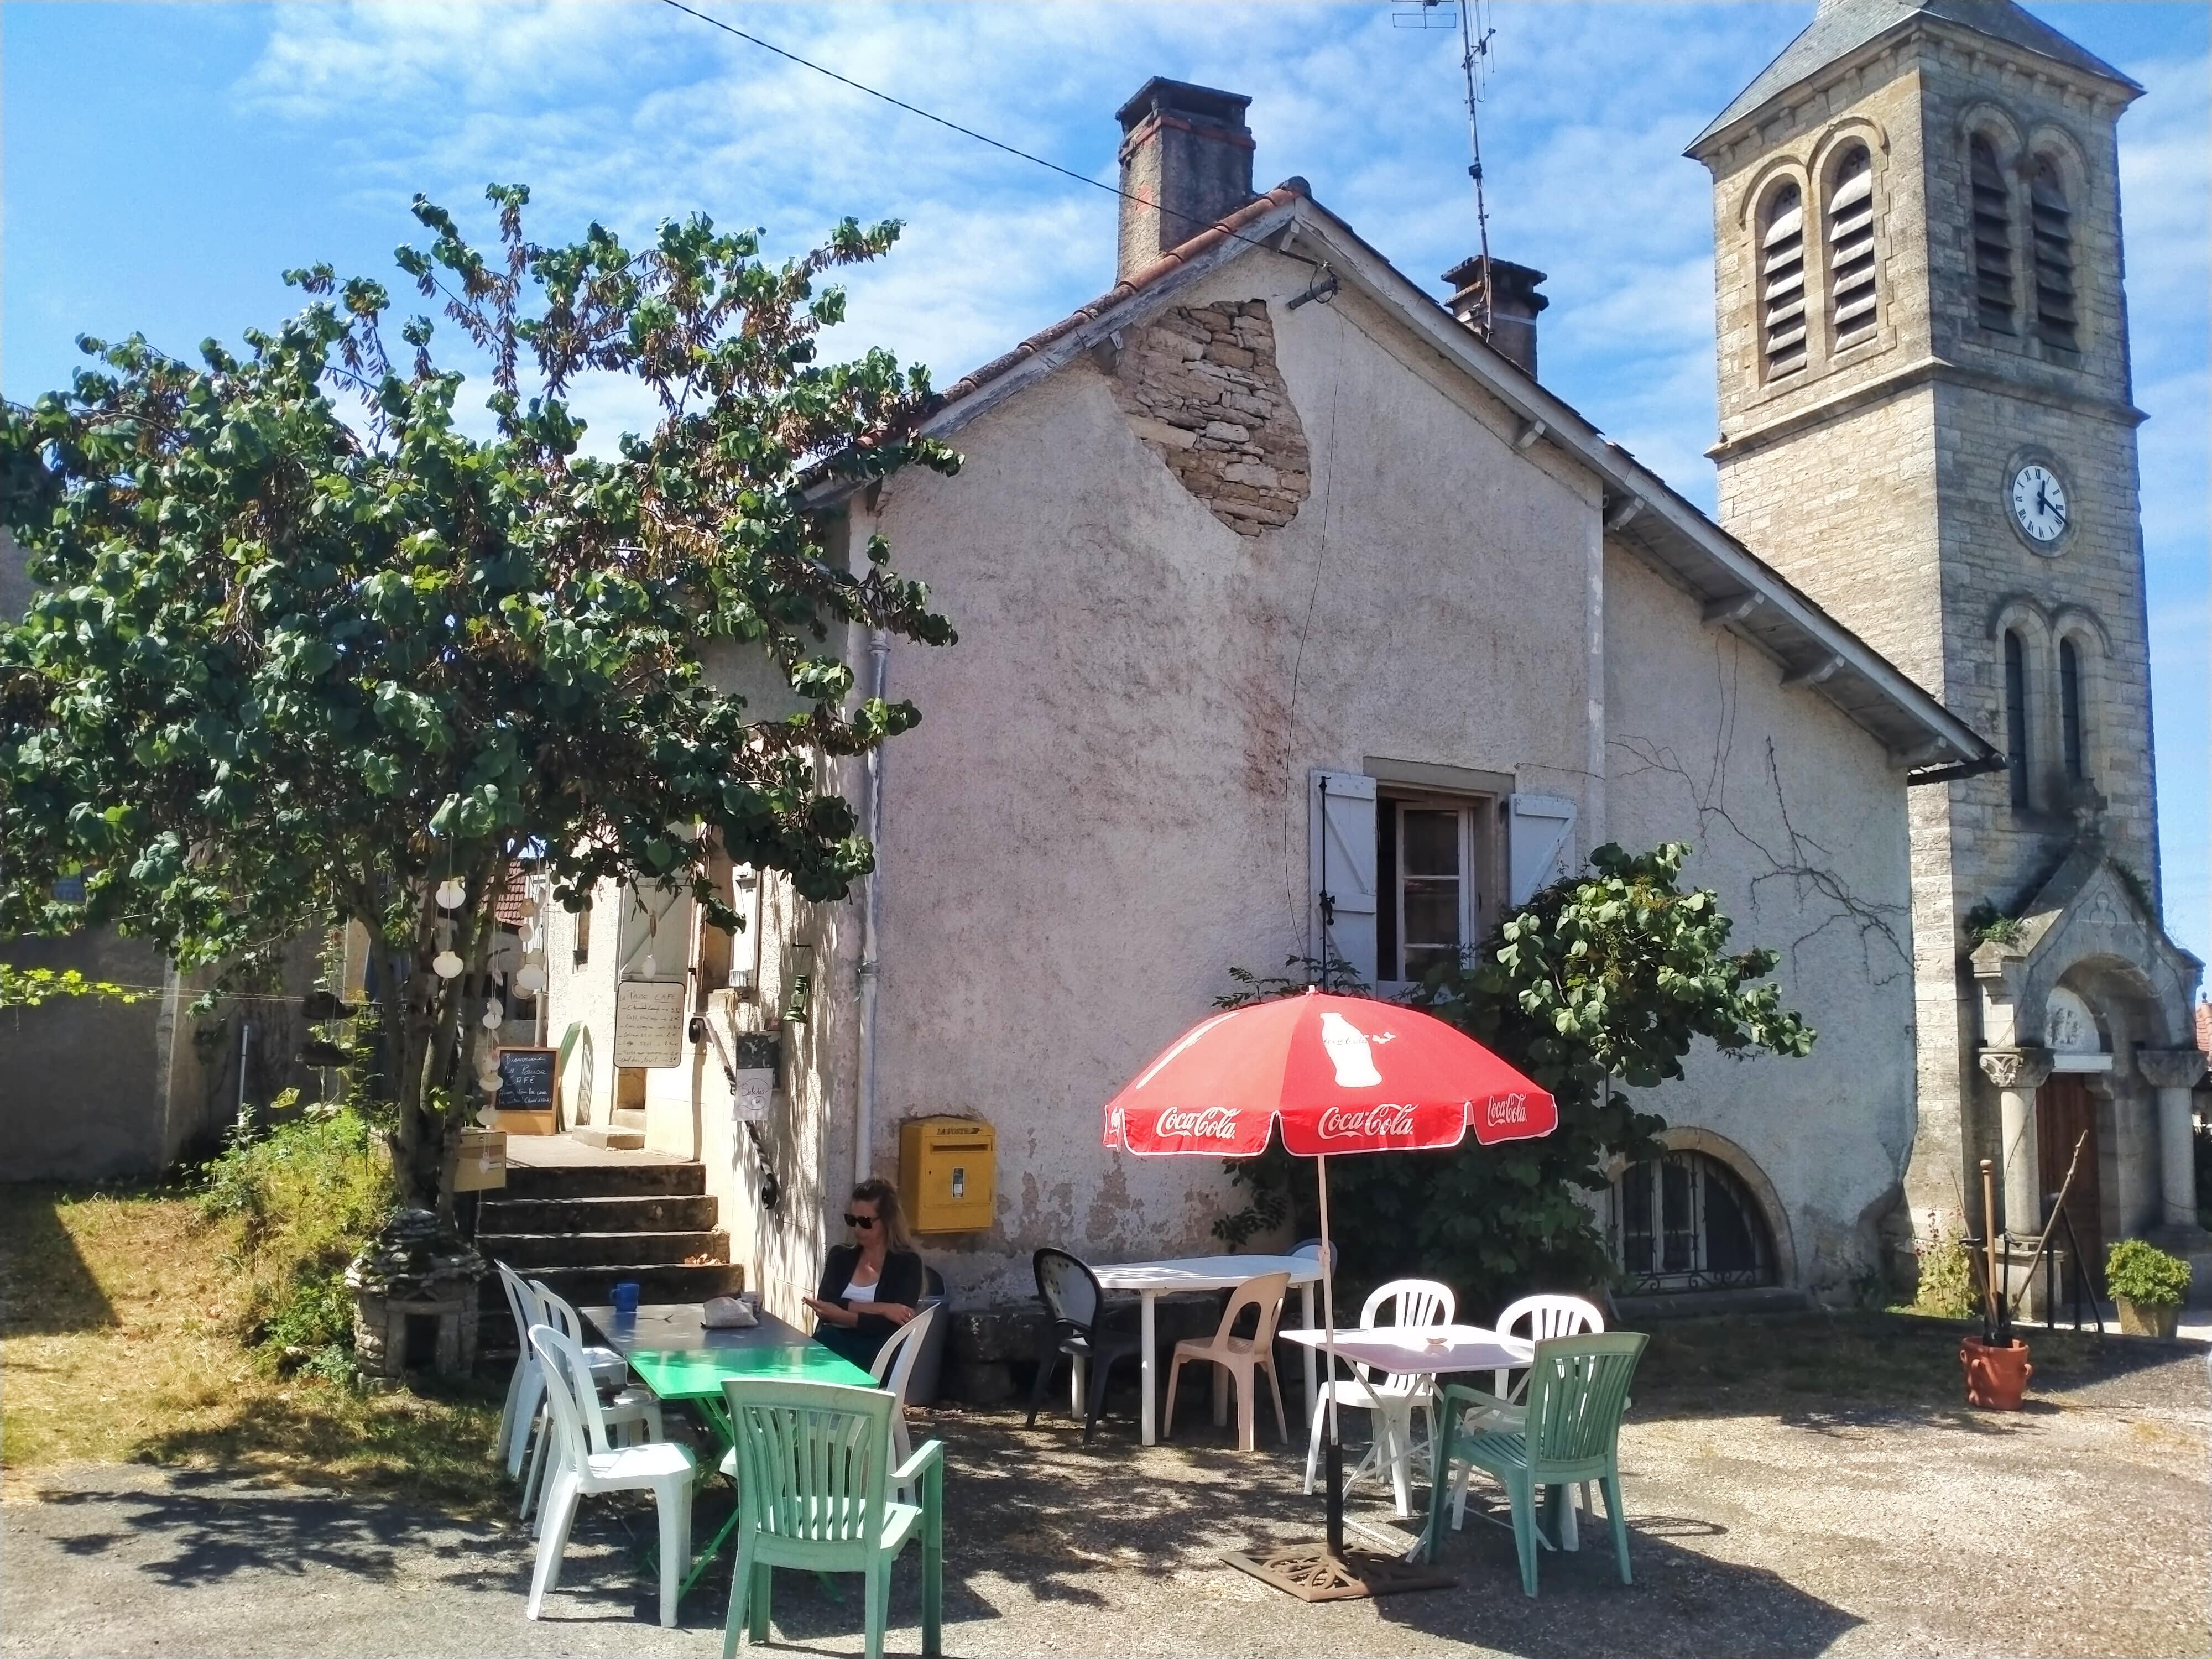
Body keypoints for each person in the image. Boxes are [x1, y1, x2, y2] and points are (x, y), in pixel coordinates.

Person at [804, 1177, 925, 1373]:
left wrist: (843, 1315)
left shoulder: (906, 1264)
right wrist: (883, 1308)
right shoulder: (840, 1256)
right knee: (825, 1343)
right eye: (852, 1220)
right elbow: (826, 1304)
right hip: (834, 1341)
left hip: (878, 1352)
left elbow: (891, 1326)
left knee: (825, 1344)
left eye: (865, 1222)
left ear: (887, 1221)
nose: (857, 1229)